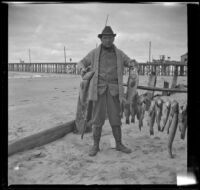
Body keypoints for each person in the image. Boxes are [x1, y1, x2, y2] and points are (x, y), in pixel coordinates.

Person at [78, 26, 137, 156]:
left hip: (114, 91)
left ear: (114, 38)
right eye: (105, 38)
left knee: (115, 118)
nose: (108, 40)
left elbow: (130, 61)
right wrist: (82, 69)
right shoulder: (94, 53)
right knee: (97, 119)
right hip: (98, 91)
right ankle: (95, 146)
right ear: (101, 39)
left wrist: (133, 63)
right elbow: (81, 63)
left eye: (110, 38)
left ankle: (119, 144)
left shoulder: (119, 53)